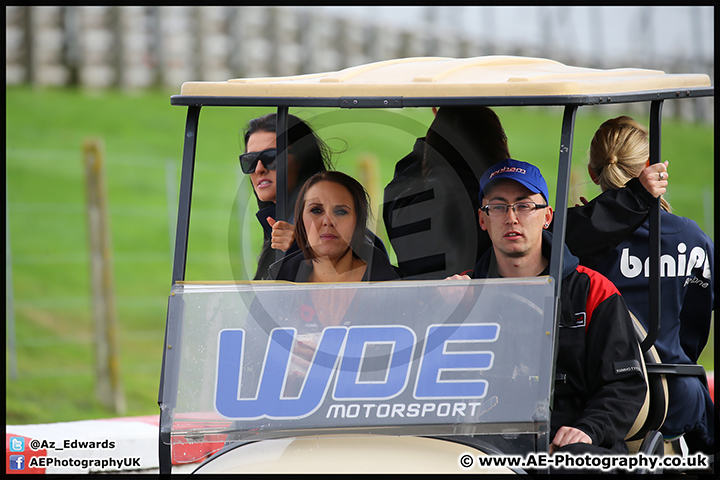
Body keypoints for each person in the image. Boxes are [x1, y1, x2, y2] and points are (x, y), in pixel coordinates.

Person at [448, 158, 647, 457]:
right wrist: (436, 311)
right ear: (483, 219)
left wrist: (588, 430)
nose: (511, 218)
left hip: (570, 444)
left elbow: (623, 385)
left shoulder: (593, 291)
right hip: (485, 446)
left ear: (547, 216)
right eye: (498, 207)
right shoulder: (460, 294)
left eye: (525, 205)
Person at [382, 106, 672, 279]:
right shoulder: (490, 209)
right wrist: (636, 196)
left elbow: (423, 164)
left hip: (419, 324)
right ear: (493, 146)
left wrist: (444, 123)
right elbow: (565, 233)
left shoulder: (399, 197)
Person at [584, 116, 715, 454]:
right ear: (650, 170)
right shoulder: (690, 236)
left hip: (597, 404)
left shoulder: (577, 243)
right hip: (676, 398)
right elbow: (698, 316)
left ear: (592, 173)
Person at [241, 113, 387, 280]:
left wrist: (302, 247)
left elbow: (361, 283)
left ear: (303, 159)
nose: (259, 169)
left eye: (272, 157)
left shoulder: (333, 231)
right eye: (250, 160)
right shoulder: (279, 222)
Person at [269, 171, 399, 284]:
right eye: (316, 210)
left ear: (358, 222)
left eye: (341, 212)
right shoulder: (277, 283)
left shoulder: (396, 287)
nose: (327, 221)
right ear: (300, 220)